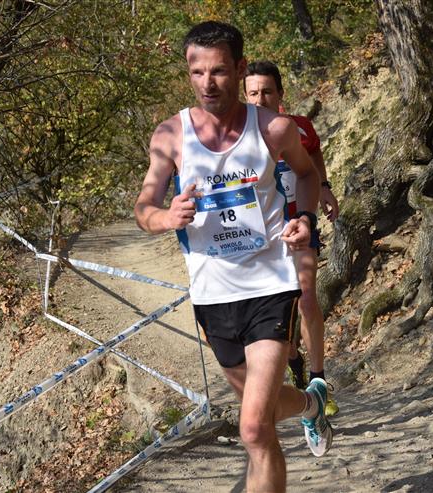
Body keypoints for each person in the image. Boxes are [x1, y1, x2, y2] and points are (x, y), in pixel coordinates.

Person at [134, 21, 333, 491]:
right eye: (196, 72)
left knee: (253, 429)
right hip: (213, 295)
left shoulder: (274, 128)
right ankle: (311, 405)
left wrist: (305, 218)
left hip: (270, 285)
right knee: (262, 413)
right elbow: (143, 208)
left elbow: (307, 175)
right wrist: (166, 217)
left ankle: (307, 408)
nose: (207, 83)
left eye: (219, 71)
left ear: (240, 69)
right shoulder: (171, 135)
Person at [243, 61, 340, 417]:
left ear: (280, 93)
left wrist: (323, 186)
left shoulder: (298, 126)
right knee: (278, 317)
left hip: (299, 226)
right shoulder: (236, 137)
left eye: (267, 91)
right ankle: (294, 362)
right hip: (260, 237)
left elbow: (312, 152)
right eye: (253, 93)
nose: (261, 99)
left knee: (307, 299)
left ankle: (319, 382)